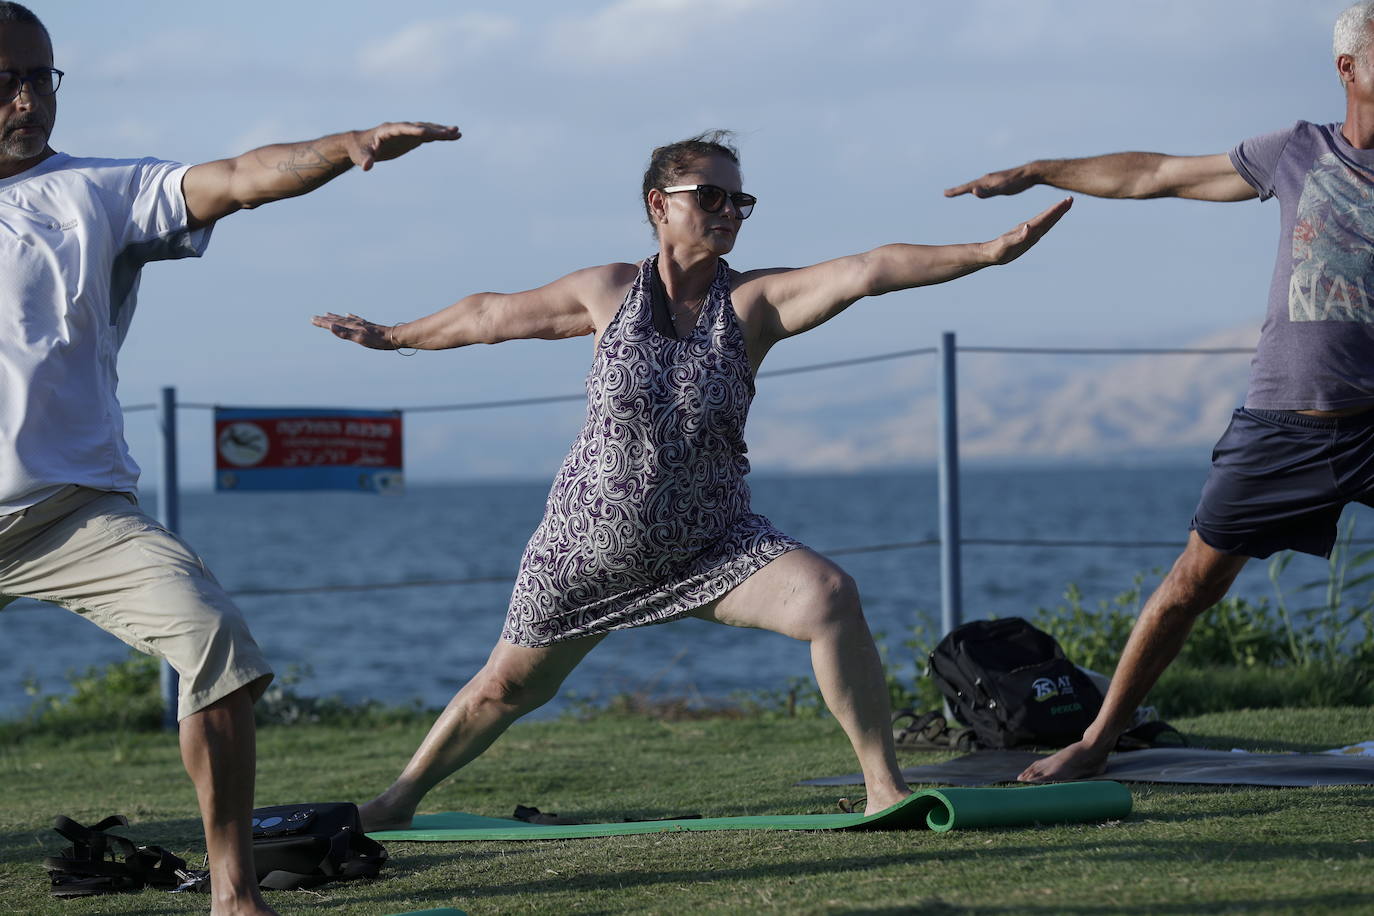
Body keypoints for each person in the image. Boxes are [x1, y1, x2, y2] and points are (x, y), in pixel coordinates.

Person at [315, 130, 1071, 825]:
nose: (728, 212)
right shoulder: (608, 291)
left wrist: (987, 252)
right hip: (584, 551)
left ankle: (884, 787)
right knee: (504, 690)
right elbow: (487, 315)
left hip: (715, 543)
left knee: (830, 596)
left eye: (738, 200)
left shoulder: (754, 304)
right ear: (659, 204)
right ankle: (396, 801)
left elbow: (868, 270)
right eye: (709, 197)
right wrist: (391, 337)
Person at [0, 4, 458, 913]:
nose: (27, 101)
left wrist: (345, 143)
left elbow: (242, 177)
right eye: (5, 81)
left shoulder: (97, 193)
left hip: (69, 515)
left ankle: (234, 894)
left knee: (213, 637)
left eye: (41, 78)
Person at [944, 0, 1374, 783]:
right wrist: (1042, 168)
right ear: (1348, 68)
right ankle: (1096, 739)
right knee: (1188, 588)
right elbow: (1156, 173)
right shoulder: (1297, 153)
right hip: (1283, 424)